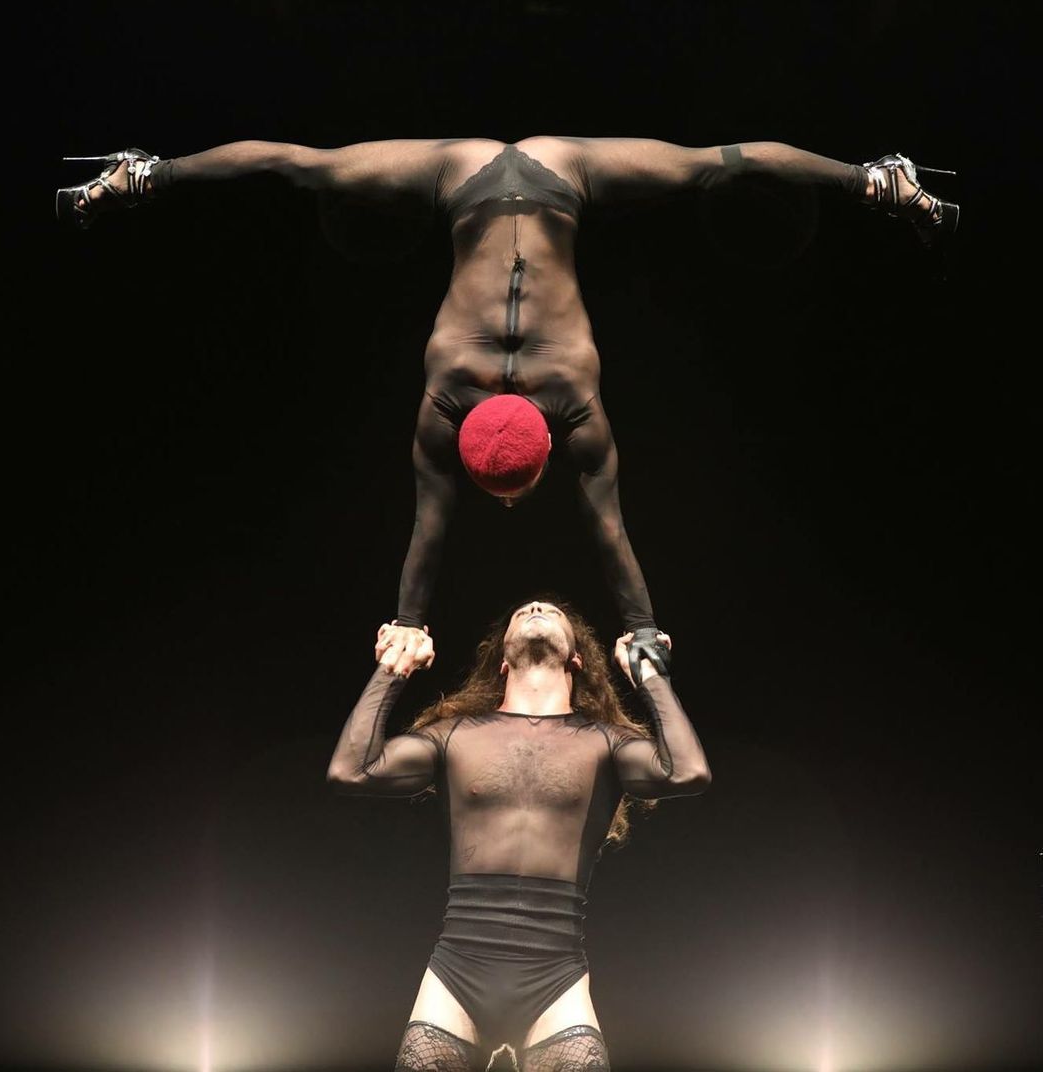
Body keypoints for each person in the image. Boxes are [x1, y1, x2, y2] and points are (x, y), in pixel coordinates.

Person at [56, 137, 958, 673]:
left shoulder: (573, 396)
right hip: (484, 171)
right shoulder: (450, 394)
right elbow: (435, 525)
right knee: (309, 168)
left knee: (709, 168)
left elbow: (602, 526)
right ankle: (873, 177)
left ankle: (873, 178)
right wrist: (408, 620)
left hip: (528, 172)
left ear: (541, 454)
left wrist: (645, 630)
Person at [326, 599, 711, 1070]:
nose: (536, 606)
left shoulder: (604, 742)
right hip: (456, 971)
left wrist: (649, 674)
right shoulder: (455, 735)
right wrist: (393, 668)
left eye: (553, 612)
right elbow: (351, 770)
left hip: (556, 979)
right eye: (521, 611)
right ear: (503, 662)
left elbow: (686, 772)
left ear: (576, 659)